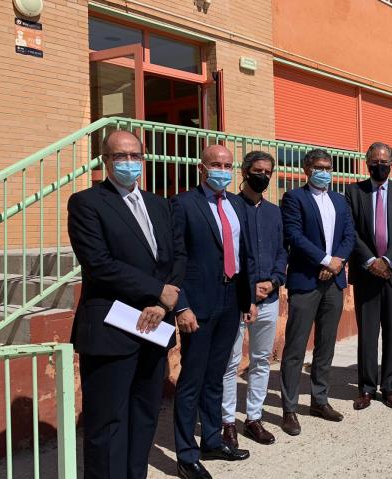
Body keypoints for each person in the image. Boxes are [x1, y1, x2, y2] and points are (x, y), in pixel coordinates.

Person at [67, 130, 184, 479]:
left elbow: (177, 258)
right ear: (105, 161)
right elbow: (99, 263)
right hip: (110, 329)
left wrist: (163, 304)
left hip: (154, 325)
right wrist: (155, 290)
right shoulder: (86, 202)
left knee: (145, 414)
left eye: (135, 156)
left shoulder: (159, 204)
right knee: (107, 423)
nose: (129, 163)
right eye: (120, 156)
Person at [171, 145, 254, 479]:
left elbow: (243, 254)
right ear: (201, 168)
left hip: (231, 299)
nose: (222, 169)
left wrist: (247, 300)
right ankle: (186, 455)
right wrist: (182, 305)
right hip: (199, 303)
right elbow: (175, 257)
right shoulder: (182, 204)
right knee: (192, 378)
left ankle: (213, 440)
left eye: (228, 164)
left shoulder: (236, 203)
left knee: (217, 375)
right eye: (216, 164)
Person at [279, 149, 356, 436]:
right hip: (305, 282)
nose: (324, 171)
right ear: (307, 169)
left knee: (326, 345)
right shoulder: (294, 198)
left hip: (334, 283)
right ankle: (289, 408)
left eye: (328, 166)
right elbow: (294, 236)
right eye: (319, 167)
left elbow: (349, 235)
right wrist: (325, 261)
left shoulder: (339, 200)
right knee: (296, 347)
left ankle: (319, 400)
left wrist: (336, 263)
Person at [221, 151, 287, 447]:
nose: (263, 176)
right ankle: (226, 423)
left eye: (268, 172)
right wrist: (249, 288)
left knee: (261, 360)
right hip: (236, 298)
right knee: (230, 363)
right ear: (245, 172)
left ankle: (253, 418)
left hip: (269, 297)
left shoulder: (275, 211)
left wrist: (272, 282)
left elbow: (282, 252)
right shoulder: (229, 206)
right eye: (258, 170)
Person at [345, 142, 392, 410]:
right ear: (367, 163)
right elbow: (351, 231)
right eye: (375, 161)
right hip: (366, 273)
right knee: (368, 333)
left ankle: (390, 387)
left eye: (384, 162)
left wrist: (386, 261)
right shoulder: (353, 192)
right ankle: (366, 388)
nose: (380, 165)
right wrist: (371, 260)